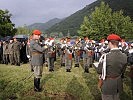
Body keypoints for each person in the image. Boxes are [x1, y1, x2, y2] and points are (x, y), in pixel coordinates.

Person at [96, 34, 127, 100]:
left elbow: (99, 71)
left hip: (108, 84)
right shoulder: (124, 56)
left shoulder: (106, 56)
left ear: (110, 43)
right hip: (118, 83)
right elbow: (123, 71)